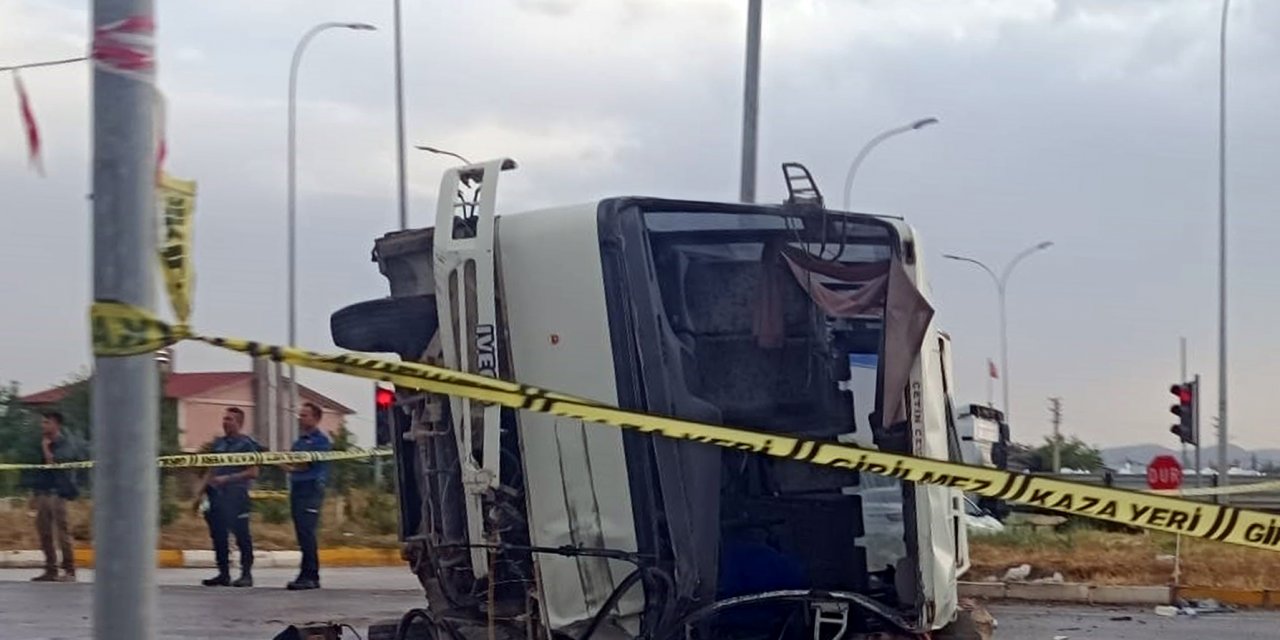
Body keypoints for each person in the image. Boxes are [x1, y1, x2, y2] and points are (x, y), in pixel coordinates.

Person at [194, 407, 260, 587]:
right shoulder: (219, 444)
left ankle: (246, 574)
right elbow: (212, 469)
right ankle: (223, 573)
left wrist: (228, 478)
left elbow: (253, 472)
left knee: (241, 534)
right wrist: (199, 494)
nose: (225, 422)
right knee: (218, 535)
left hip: (236, 494)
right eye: (224, 419)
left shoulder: (246, 444)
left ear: (239, 422)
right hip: (216, 494)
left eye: (229, 419)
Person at [20, 411, 83, 582]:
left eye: (46, 423)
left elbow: (54, 464)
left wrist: (46, 448)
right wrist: (34, 494)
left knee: (62, 532)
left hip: (58, 492)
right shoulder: (42, 442)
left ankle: (69, 570)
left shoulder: (64, 443)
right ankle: (50, 569)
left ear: (56, 424)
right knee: (44, 532)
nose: (43, 426)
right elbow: (40, 469)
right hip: (43, 492)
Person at [283, 402, 331, 591]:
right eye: (300, 415)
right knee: (301, 533)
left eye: (305, 415)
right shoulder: (299, 442)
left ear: (316, 418)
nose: (301, 418)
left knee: (307, 532)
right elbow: (293, 465)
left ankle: (311, 575)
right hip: (297, 488)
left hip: (311, 489)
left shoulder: (320, 441)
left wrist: (286, 464)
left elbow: (304, 465)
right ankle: (304, 573)